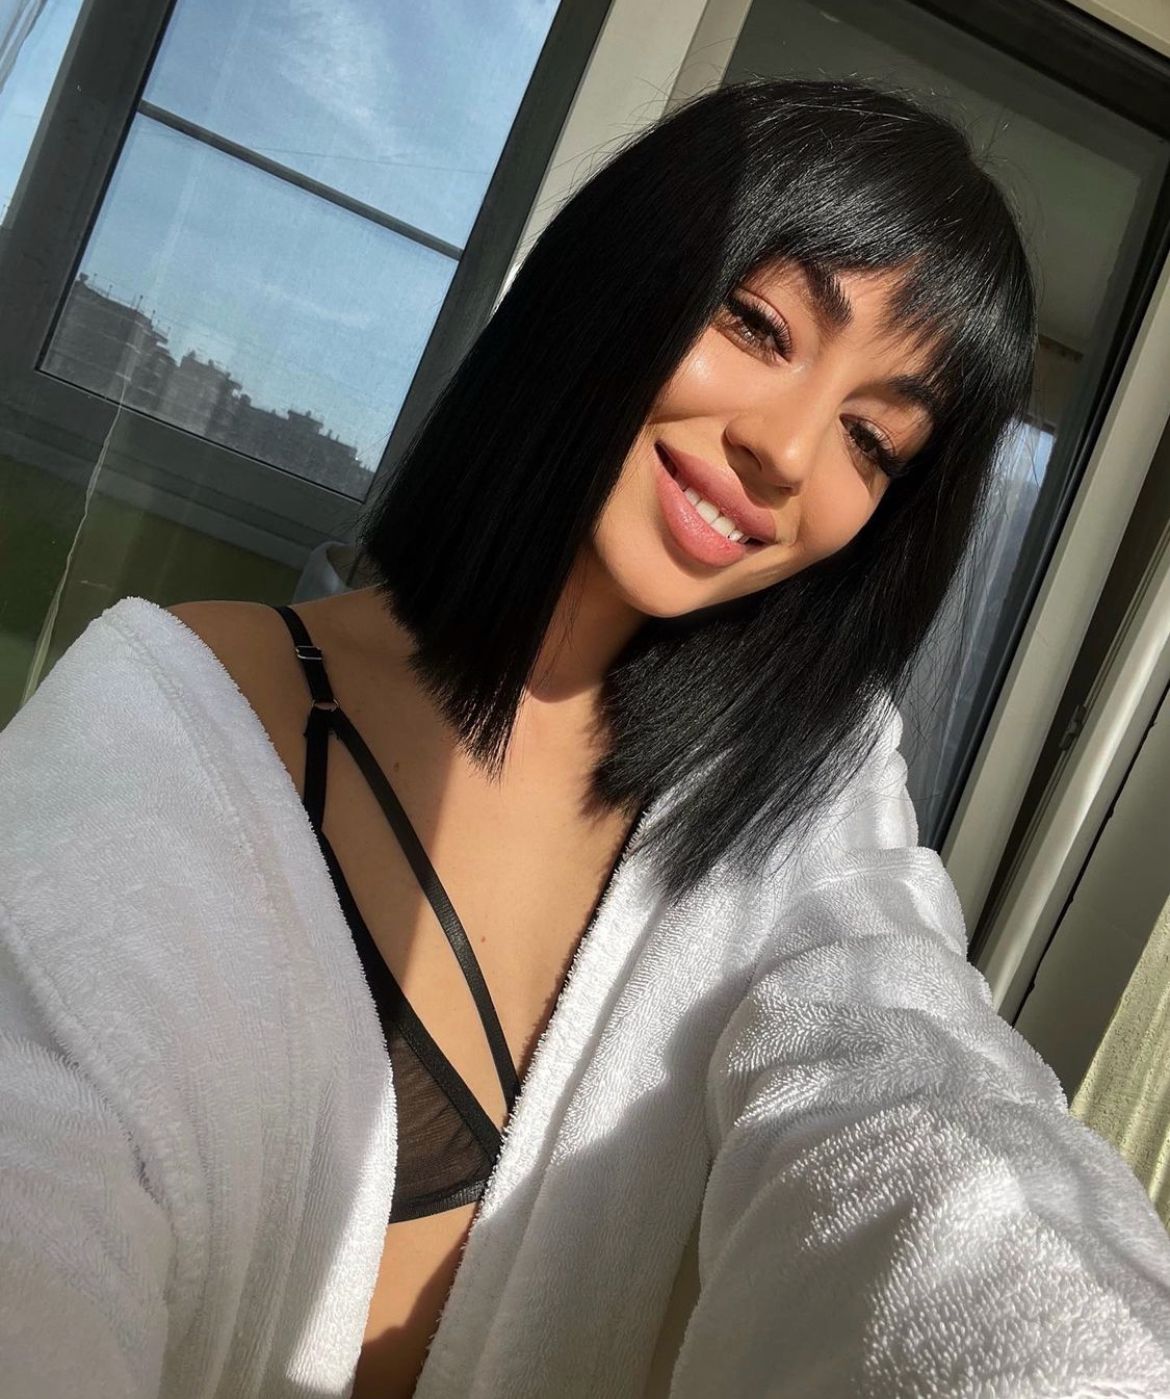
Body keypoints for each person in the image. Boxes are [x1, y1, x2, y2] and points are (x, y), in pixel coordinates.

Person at [2, 75, 1169, 1399]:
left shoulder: (804, 788)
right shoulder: (175, 721)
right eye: (758, 324)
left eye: (871, 439)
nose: (788, 452)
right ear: (621, 276)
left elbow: (912, 1079)